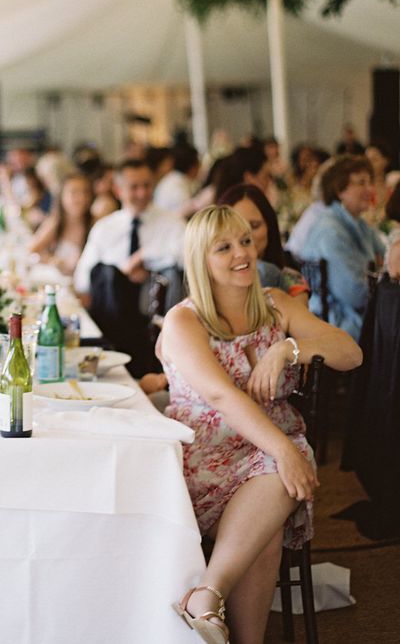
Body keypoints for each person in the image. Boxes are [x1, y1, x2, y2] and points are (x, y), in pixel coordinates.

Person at [161, 205, 361, 644]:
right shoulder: (184, 320)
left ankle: (207, 599)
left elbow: (350, 352)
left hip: (268, 464)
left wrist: (286, 348)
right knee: (280, 478)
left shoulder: (276, 304)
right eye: (224, 247)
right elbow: (221, 396)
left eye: (246, 241)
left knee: (270, 501)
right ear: (201, 259)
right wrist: (286, 451)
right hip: (206, 460)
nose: (241, 253)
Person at [74, 159, 185, 308]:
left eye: (147, 185)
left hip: (159, 310)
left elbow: (187, 257)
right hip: (113, 312)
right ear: (118, 190)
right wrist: (121, 274)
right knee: (106, 272)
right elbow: (82, 279)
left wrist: (145, 257)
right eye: (134, 187)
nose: (142, 193)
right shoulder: (104, 228)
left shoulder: (173, 223)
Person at [299, 155, 385, 340]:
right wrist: (381, 278)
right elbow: (354, 294)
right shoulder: (331, 230)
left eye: (370, 182)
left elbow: (386, 256)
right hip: (338, 324)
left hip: (358, 315)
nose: (370, 189)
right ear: (340, 190)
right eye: (361, 183)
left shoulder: (358, 224)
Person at [217, 184, 309, 302]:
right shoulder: (212, 288)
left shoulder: (291, 280)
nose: (247, 237)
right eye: (236, 228)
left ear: (269, 226)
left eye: (254, 226)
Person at [29, 173, 93, 276]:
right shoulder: (56, 222)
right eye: (74, 192)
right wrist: (56, 261)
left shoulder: (94, 225)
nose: (81, 198)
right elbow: (31, 250)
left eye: (85, 192)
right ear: (62, 196)